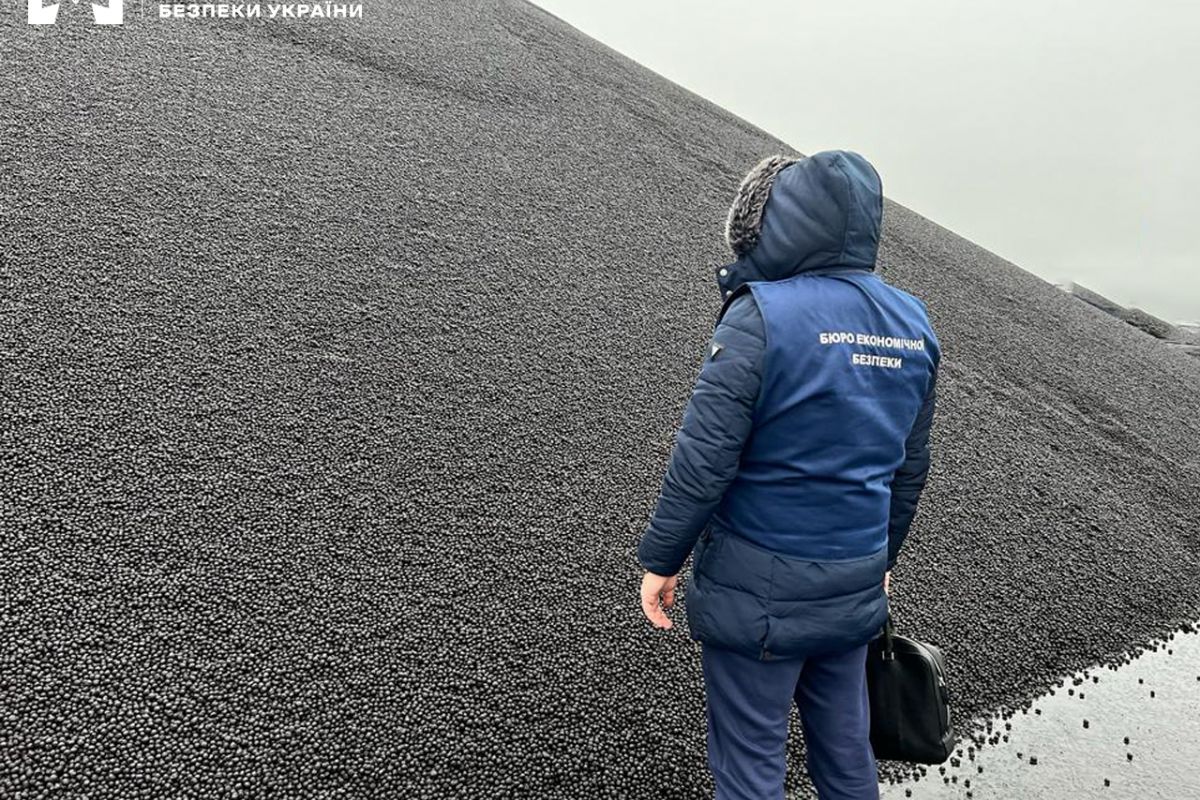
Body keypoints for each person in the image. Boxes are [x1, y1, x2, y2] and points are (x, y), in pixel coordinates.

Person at [637, 151, 940, 800]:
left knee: (749, 767)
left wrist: (663, 559)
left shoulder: (762, 314)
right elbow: (909, 468)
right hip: (856, 582)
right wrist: (883, 555)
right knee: (847, 758)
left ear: (781, 221)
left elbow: (704, 457)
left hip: (759, 592)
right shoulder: (913, 324)